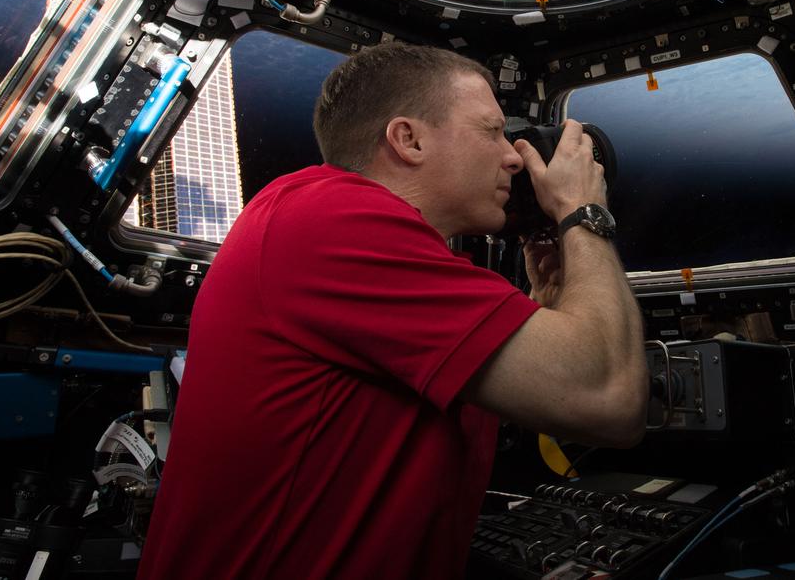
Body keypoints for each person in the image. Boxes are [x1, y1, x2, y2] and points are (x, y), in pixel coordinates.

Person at [137, 42, 648, 579]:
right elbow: (611, 401)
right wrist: (580, 209)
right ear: (409, 139)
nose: (514, 157)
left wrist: (546, 315)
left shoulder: (336, 226)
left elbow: (556, 394)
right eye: (492, 131)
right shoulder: (335, 221)